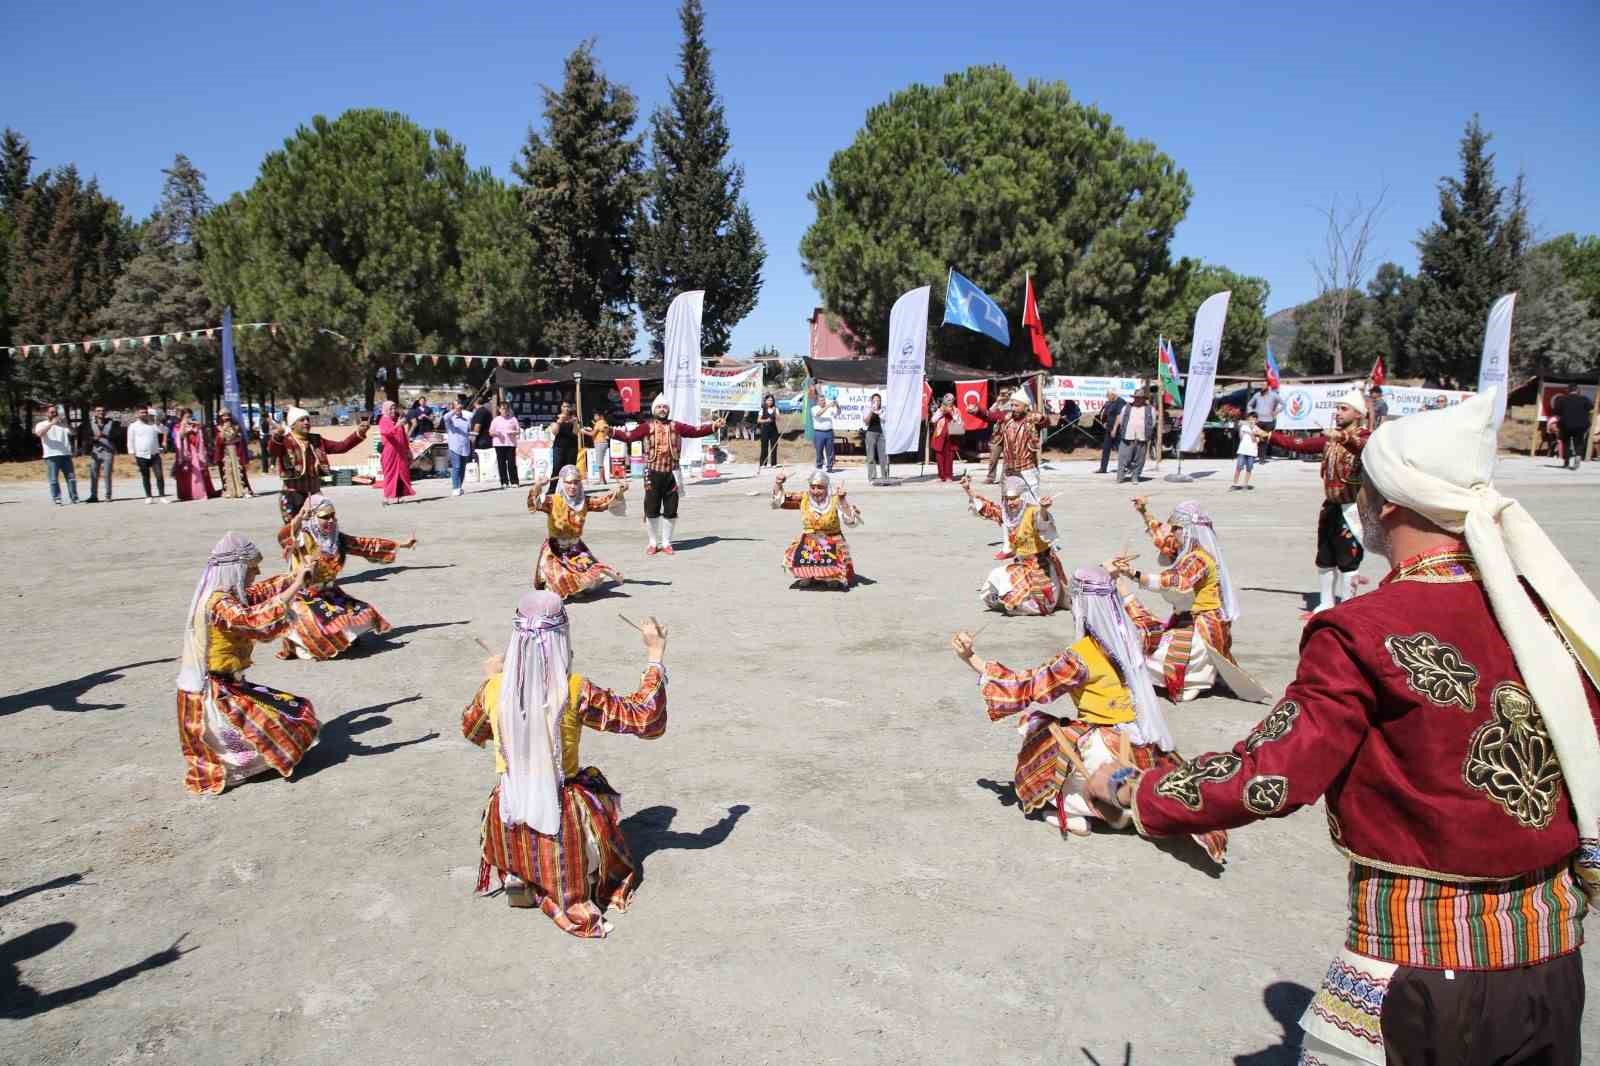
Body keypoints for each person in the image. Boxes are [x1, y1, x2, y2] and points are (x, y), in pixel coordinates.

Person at [1086, 391, 1600, 1065]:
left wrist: (1134, 789)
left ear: (1385, 504)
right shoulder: (1546, 614)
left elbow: (1272, 774)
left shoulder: (1363, 630)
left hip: (1430, 974)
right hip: (1553, 968)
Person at [949, 568, 1228, 863]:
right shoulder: (1134, 636)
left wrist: (971, 658)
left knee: (1037, 729)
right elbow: (1151, 624)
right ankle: (1127, 800)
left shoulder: (1080, 657)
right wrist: (1123, 587)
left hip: (1105, 747)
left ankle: (1075, 808)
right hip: (1143, 744)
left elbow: (1026, 687)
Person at [461, 592, 668, 938]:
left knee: (511, 805)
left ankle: (519, 872)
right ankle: (578, 874)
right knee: (589, 798)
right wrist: (655, 654)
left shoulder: (495, 689)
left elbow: (472, 730)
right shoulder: (573, 689)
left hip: (508, 809)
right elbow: (643, 717)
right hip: (561, 811)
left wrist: (494, 679)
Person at [176, 533, 320, 794]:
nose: (256, 573)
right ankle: (230, 767)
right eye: (252, 569)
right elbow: (253, 619)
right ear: (237, 569)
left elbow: (261, 591)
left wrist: (299, 574)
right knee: (286, 724)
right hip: (214, 693)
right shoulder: (218, 603)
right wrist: (297, 582)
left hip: (230, 684)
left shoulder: (229, 595)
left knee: (298, 712)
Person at [1111, 498, 1269, 704]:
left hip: (1203, 626)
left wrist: (1132, 573)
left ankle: (1194, 681)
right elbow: (1164, 541)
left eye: (1176, 528)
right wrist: (1144, 512)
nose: (1172, 532)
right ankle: (1201, 676)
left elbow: (1174, 582)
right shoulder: (1190, 551)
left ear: (1186, 531)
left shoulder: (1198, 559)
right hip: (1192, 619)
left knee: (1154, 654)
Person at [1254, 388, 1370, 614]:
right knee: (1325, 556)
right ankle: (1326, 603)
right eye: (1337, 408)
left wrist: (1343, 437)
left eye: (1343, 409)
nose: (1337, 412)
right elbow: (1300, 444)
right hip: (1331, 506)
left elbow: (1361, 445)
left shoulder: (1366, 436)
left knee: (1349, 558)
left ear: (1358, 414)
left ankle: (1347, 607)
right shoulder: (1331, 437)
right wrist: (1269, 436)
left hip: (1353, 509)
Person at [274, 495, 416, 660]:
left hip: (330, 593)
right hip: (302, 596)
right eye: (325, 517)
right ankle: (304, 644)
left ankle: (341, 639)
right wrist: (299, 517)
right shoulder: (301, 538)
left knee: (364, 612)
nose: (331, 520)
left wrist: (401, 544)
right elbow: (284, 537)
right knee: (320, 624)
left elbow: (365, 544)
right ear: (312, 517)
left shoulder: (337, 539)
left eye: (333, 516)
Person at [609, 397, 722, 556]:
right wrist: (610, 432)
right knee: (652, 509)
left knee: (671, 509)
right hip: (652, 472)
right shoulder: (646, 427)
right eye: (659, 407)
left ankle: (667, 542)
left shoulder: (677, 426)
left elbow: (696, 431)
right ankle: (653, 542)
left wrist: (714, 426)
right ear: (654, 410)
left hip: (672, 473)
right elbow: (628, 436)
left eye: (665, 407)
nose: (662, 409)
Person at [963, 474, 1067, 616]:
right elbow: (988, 509)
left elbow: (1042, 524)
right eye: (1008, 499)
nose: (1011, 503)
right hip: (1022, 565)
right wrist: (968, 489)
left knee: (1038, 605)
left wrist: (1043, 509)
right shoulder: (1008, 514)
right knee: (995, 579)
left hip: (1042, 568)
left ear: (1023, 496)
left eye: (1015, 498)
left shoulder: (1033, 511)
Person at [529, 465, 626, 599]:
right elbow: (535, 503)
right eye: (569, 482)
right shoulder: (552, 501)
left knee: (595, 578)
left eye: (576, 482)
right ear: (562, 483)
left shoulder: (584, 501)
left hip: (576, 549)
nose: (572, 486)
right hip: (555, 550)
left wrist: (621, 489)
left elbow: (604, 502)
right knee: (558, 583)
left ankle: (575, 586)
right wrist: (538, 485)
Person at [268, 407, 371, 520]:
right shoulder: (285, 441)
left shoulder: (317, 440)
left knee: (323, 527)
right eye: (302, 420)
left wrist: (359, 433)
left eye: (307, 419)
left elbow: (341, 447)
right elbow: (272, 451)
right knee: (294, 531)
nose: (306, 422)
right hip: (292, 494)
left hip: (314, 494)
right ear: (292, 424)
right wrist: (277, 436)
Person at [772, 470, 862, 589]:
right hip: (809, 539)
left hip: (832, 539)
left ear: (826, 487)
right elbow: (780, 502)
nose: (816, 491)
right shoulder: (804, 498)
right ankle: (808, 575)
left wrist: (843, 500)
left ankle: (832, 576)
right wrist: (778, 484)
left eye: (820, 488)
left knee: (832, 561)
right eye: (812, 487)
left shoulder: (835, 500)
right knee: (801, 550)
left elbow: (851, 522)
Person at [972, 391, 1057, 497]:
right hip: (1009, 469)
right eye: (1011, 405)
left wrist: (1043, 418)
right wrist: (977, 411)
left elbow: (1046, 422)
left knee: (1032, 500)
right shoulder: (1006, 417)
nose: (1013, 408)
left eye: (1016, 405)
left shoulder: (1032, 418)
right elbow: (990, 416)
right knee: (1009, 500)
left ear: (1026, 406)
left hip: (1028, 468)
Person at [34, 404, 79, 505]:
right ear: (46, 413)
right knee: (53, 479)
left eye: (55, 412)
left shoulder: (62, 425)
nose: (54, 414)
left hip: (65, 454)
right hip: (51, 455)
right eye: (52, 412)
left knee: (71, 478)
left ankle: (74, 497)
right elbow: (39, 434)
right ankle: (57, 497)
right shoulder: (41, 424)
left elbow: (74, 433)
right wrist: (51, 424)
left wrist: (66, 424)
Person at [1111, 388, 1155, 483]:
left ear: (1144, 399)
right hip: (1127, 436)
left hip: (1142, 437)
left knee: (1139, 459)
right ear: (1134, 398)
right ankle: (1120, 476)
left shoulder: (1150, 409)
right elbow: (1122, 420)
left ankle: (1135, 476)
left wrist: (1148, 433)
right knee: (1123, 457)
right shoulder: (1126, 407)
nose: (1138, 399)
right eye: (1136, 397)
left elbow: (1153, 422)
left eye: (1140, 398)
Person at [171, 410, 218, 501]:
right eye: (187, 417)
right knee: (185, 472)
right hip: (183, 452)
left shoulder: (194, 426)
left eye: (190, 416)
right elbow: (179, 437)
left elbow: (200, 437)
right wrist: (183, 426)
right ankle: (186, 494)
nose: (189, 419)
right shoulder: (177, 427)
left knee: (197, 471)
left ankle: (199, 493)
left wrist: (198, 428)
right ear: (181, 417)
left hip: (194, 451)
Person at [377, 401, 416, 505]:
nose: (393, 411)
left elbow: (404, 437)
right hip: (389, 452)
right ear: (386, 410)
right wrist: (397, 425)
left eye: (394, 408)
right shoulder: (384, 420)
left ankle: (399, 496)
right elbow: (386, 433)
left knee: (401, 474)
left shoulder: (397, 420)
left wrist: (408, 451)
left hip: (400, 452)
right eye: (390, 409)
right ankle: (386, 497)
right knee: (389, 474)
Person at [127, 407, 167, 503]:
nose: (144, 414)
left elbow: (164, 430)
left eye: (145, 412)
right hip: (141, 455)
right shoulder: (133, 426)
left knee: (159, 476)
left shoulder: (153, 424)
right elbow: (130, 441)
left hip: (155, 454)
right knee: (146, 476)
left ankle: (162, 496)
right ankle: (148, 496)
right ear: (137, 414)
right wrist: (132, 454)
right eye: (142, 412)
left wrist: (157, 422)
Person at [213, 410, 254, 499]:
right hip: (225, 452)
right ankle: (229, 491)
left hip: (236, 451)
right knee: (227, 471)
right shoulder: (218, 428)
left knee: (239, 470)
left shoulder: (236, 426)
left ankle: (244, 490)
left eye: (228, 415)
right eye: (224, 416)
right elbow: (219, 441)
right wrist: (224, 430)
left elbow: (239, 438)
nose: (226, 418)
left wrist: (233, 438)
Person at [1553, 387, 1593, 470]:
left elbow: (1556, 411)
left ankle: (1566, 462)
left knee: (1566, 443)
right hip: (1581, 425)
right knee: (1579, 442)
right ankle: (1577, 458)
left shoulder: (1562, 399)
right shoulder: (1584, 399)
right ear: (1578, 391)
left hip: (1566, 424)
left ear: (1568, 390)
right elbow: (1591, 407)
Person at [978, 387, 1013, 484]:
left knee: (1007, 459)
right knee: (993, 458)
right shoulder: (998, 403)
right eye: (1002, 393)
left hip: (1009, 434)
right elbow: (989, 413)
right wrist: (997, 402)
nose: (1004, 395)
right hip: (997, 435)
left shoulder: (1013, 403)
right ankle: (990, 477)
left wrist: (1010, 399)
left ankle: (1004, 478)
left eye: (1006, 393)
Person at [441, 400, 474, 497]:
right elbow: (445, 417)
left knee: (463, 468)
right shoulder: (450, 419)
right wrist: (454, 411)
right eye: (457, 408)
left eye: (460, 408)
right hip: (454, 447)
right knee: (457, 466)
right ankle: (455, 488)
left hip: (465, 446)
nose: (459, 410)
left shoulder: (466, 419)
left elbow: (469, 430)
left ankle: (459, 486)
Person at [85, 405, 118, 503]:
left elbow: (117, 435)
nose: (101, 412)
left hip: (108, 451)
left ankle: (108, 495)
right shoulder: (89, 424)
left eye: (103, 411)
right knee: (94, 474)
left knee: (107, 474)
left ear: (106, 412)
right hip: (95, 451)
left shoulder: (113, 423)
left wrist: (104, 435)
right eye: (98, 411)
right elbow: (86, 437)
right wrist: (93, 439)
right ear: (95, 412)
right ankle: (93, 496)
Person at [547, 401, 579, 494]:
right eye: (564, 406)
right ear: (561, 407)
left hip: (572, 446)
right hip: (559, 446)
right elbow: (554, 432)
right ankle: (552, 489)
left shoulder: (574, 417)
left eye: (568, 406)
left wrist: (575, 423)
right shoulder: (556, 417)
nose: (567, 408)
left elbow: (576, 433)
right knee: (557, 468)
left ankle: (570, 489)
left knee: (570, 469)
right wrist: (559, 421)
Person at [929, 394, 961, 482]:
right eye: (947, 399)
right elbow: (933, 420)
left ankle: (948, 476)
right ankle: (941, 476)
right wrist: (941, 412)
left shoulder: (956, 410)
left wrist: (950, 413)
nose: (948, 401)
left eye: (950, 400)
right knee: (939, 457)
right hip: (940, 435)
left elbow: (959, 422)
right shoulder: (940, 410)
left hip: (951, 436)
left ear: (953, 401)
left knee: (949, 457)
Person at [489, 403, 522, 488]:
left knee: (511, 463)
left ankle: (514, 481)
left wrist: (513, 432)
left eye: (506, 409)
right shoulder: (496, 420)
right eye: (503, 409)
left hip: (510, 444)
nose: (505, 411)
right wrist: (496, 433)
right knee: (501, 463)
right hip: (499, 444)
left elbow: (518, 431)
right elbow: (490, 432)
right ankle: (504, 482)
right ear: (499, 410)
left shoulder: (513, 419)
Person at [1246, 381, 1281, 461]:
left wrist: (1277, 411)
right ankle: (1252, 455)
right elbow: (1249, 405)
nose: (1262, 386)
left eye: (1264, 385)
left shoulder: (1274, 395)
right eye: (1261, 385)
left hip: (1269, 421)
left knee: (1264, 439)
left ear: (1268, 386)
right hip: (1258, 421)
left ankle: (1262, 458)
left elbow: (1283, 404)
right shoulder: (1257, 395)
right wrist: (1252, 414)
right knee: (1254, 438)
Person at [1097, 388, 1125, 474]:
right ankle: (1103, 468)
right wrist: (1104, 422)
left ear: (1113, 395)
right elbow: (1105, 413)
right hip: (1109, 429)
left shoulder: (1120, 401)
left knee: (1121, 449)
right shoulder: (1109, 402)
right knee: (1106, 448)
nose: (1107, 397)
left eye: (1108, 395)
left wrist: (1115, 429)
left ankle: (1125, 467)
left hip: (1118, 429)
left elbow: (1119, 416)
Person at [810, 389, 839, 471]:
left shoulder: (829, 409)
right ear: (817, 401)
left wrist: (837, 405)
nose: (823, 401)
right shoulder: (814, 408)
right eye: (821, 400)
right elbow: (818, 414)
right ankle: (819, 465)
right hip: (819, 432)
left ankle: (829, 467)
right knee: (819, 450)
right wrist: (828, 406)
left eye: (824, 400)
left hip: (829, 432)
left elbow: (838, 413)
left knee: (830, 450)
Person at [862, 393, 888, 482]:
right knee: (871, 456)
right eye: (875, 400)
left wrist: (878, 412)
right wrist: (871, 411)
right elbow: (866, 421)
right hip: (870, 433)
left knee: (883, 456)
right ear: (871, 401)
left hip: (881, 434)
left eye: (878, 400)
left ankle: (885, 476)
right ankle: (872, 477)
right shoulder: (867, 409)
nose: (876, 402)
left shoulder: (883, 410)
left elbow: (885, 419)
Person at [581, 411, 611, 484]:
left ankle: (601, 479)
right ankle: (603, 480)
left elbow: (592, 434)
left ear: (599, 416)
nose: (594, 417)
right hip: (603, 443)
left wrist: (584, 431)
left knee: (599, 462)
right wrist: (589, 429)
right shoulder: (604, 422)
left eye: (595, 416)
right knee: (600, 462)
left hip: (600, 443)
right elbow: (599, 431)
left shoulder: (599, 423)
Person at [1230, 412, 1258, 491]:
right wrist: (1246, 430)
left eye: (1253, 419)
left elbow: (1255, 440)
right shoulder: (1244, 427)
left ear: (1256, 420)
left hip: (1252, 451)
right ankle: (1235, 484)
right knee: (1239, 467)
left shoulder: (1258, 429)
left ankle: (1245, 484)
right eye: (1250, 418)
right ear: (1248, 419)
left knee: (1249, 468)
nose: (1252, 420)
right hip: (1242, 450)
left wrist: (1252, 431)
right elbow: (1241, 437)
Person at [756, 394, 780, 469]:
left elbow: (779, 419)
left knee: (774, 446)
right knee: (764, 447)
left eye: (771, 400)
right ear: (765, 401)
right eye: (768, 400)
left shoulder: (775, 408)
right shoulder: (762, 409)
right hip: (765, 429)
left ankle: (774, 463)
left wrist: (775, 413)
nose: (770, 402)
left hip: (774, 429)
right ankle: (763, 463)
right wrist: (766, 420)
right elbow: (758, 420)